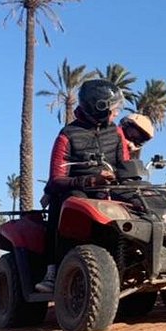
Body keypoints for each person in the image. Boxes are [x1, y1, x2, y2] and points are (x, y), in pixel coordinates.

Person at [38, 80, 129, 291]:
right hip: (75, 191)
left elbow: (124, 164)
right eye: (113, 108)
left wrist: (126, 178)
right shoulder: (67, 135)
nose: (116, 113)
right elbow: (56, 179)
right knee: (72, 202)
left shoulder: (115, 133)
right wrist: (90, 180)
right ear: (100, 108)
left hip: (108, 190)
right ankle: (54, 271)